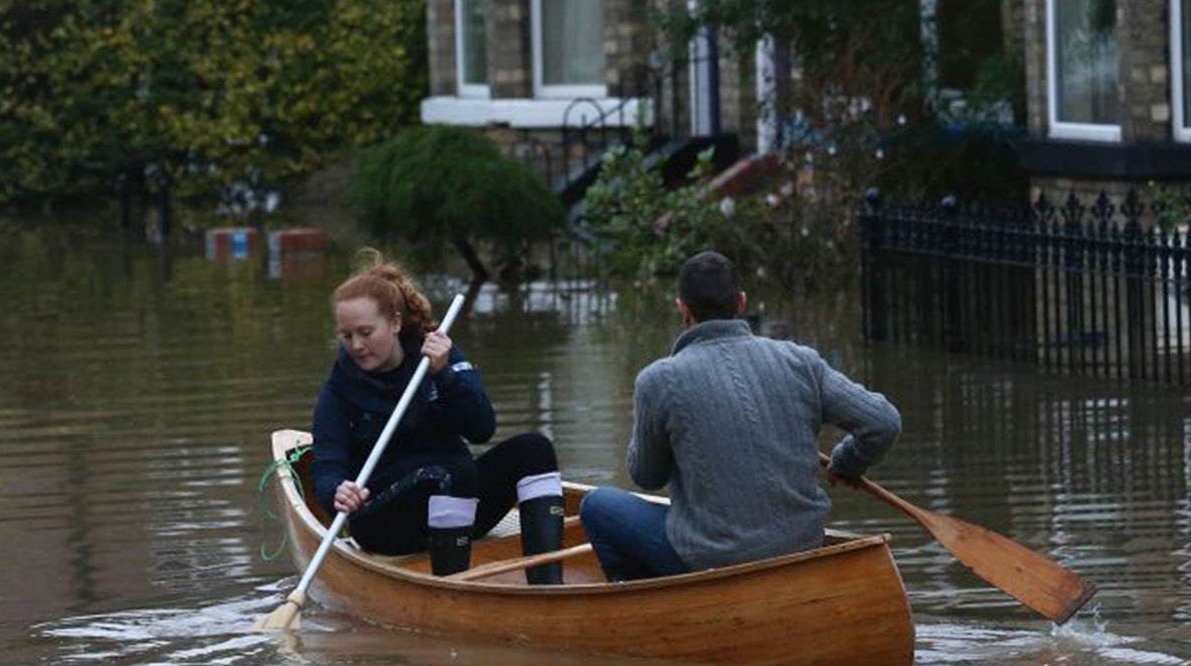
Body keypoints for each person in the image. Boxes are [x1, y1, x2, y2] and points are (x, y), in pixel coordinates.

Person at [581, 250, 900, 582]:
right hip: (803, 546)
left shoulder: (658, 380)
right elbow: (883, 423)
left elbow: (647, 476)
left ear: (683, 309)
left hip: (715, 560)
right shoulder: (800, 361)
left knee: (597, 505)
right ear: (742, 303)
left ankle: (652, 611)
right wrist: (847, 461)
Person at [311, 260, 568, 583]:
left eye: (365, 332)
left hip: (459, 507)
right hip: (385, 522)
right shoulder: (338, 391)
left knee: (534, 449)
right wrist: (337, 490)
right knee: (450, 471)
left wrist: (444, 376)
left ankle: (548, 586)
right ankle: (452, 592)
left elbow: (482, 429)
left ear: (394, 322)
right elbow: (325, 467)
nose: (357, 346)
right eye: (347, 336)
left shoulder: (437, 353)